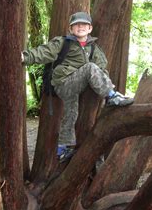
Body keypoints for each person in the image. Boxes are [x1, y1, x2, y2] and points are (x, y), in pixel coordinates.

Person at [22, 11, 133, 159]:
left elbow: (102, 67)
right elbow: (44, 52)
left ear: (90, 28)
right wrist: (24, 56)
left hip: (77, 85)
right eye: (76, 25)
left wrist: (102, 79)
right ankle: (112, 96)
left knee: (71, 112)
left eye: (84, 24)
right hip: (63, 83)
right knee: (90, 67)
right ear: (71, 29)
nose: (80, 27)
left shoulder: (93, 48)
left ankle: (62, 149)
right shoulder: (63, 42)